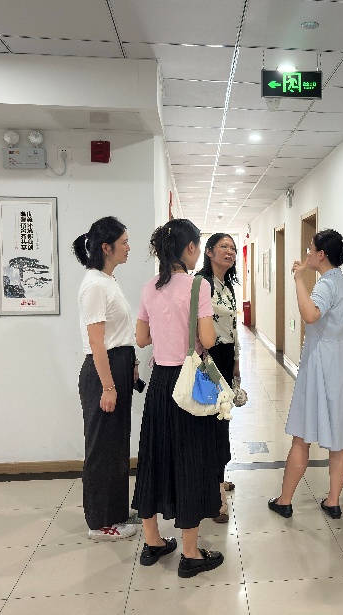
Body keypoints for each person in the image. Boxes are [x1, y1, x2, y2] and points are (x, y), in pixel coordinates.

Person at [132, 218, 225, 578]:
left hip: (159, 382)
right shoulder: (198, 285)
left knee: (154, 457)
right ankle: (190, 553)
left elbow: (142, 339)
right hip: (187, 382)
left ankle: (153, 541)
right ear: (190, 247)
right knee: (190, 459)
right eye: (198, 246)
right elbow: (208, 339)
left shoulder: (148, 287)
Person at [268, 229, 343, 520]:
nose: (307, 254)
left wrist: (298, 279)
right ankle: (333, 501)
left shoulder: (326, 284)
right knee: (339, 438)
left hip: (321, 361)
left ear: (321, 254)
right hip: (341, 360)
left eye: (310, 249)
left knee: (302, 436)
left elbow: (310, 315)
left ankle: (284, 500)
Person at [73, 216, 139, 541]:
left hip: (118, 365)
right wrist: (109, 386)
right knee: (102, 449)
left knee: (116, 446)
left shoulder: (108, 280)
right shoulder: (95, 285)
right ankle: (100, 523)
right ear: (106, 247)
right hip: (104, 372)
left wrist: (132, 363)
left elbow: (118, 332)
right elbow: (97, 342)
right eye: (124, 242)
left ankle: (116, 512)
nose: (128, 247)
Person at [195, 233, 240, 524]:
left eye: (233, 248)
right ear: (209, 251)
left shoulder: (228, 285)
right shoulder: (201, 283)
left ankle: (218, 478)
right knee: (211, 423)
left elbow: (233, 326)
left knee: (221, 420)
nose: (229, 251)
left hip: (224, 358)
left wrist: (236, 361)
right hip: (207, 360)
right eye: (223, 246)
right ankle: (214, 493)